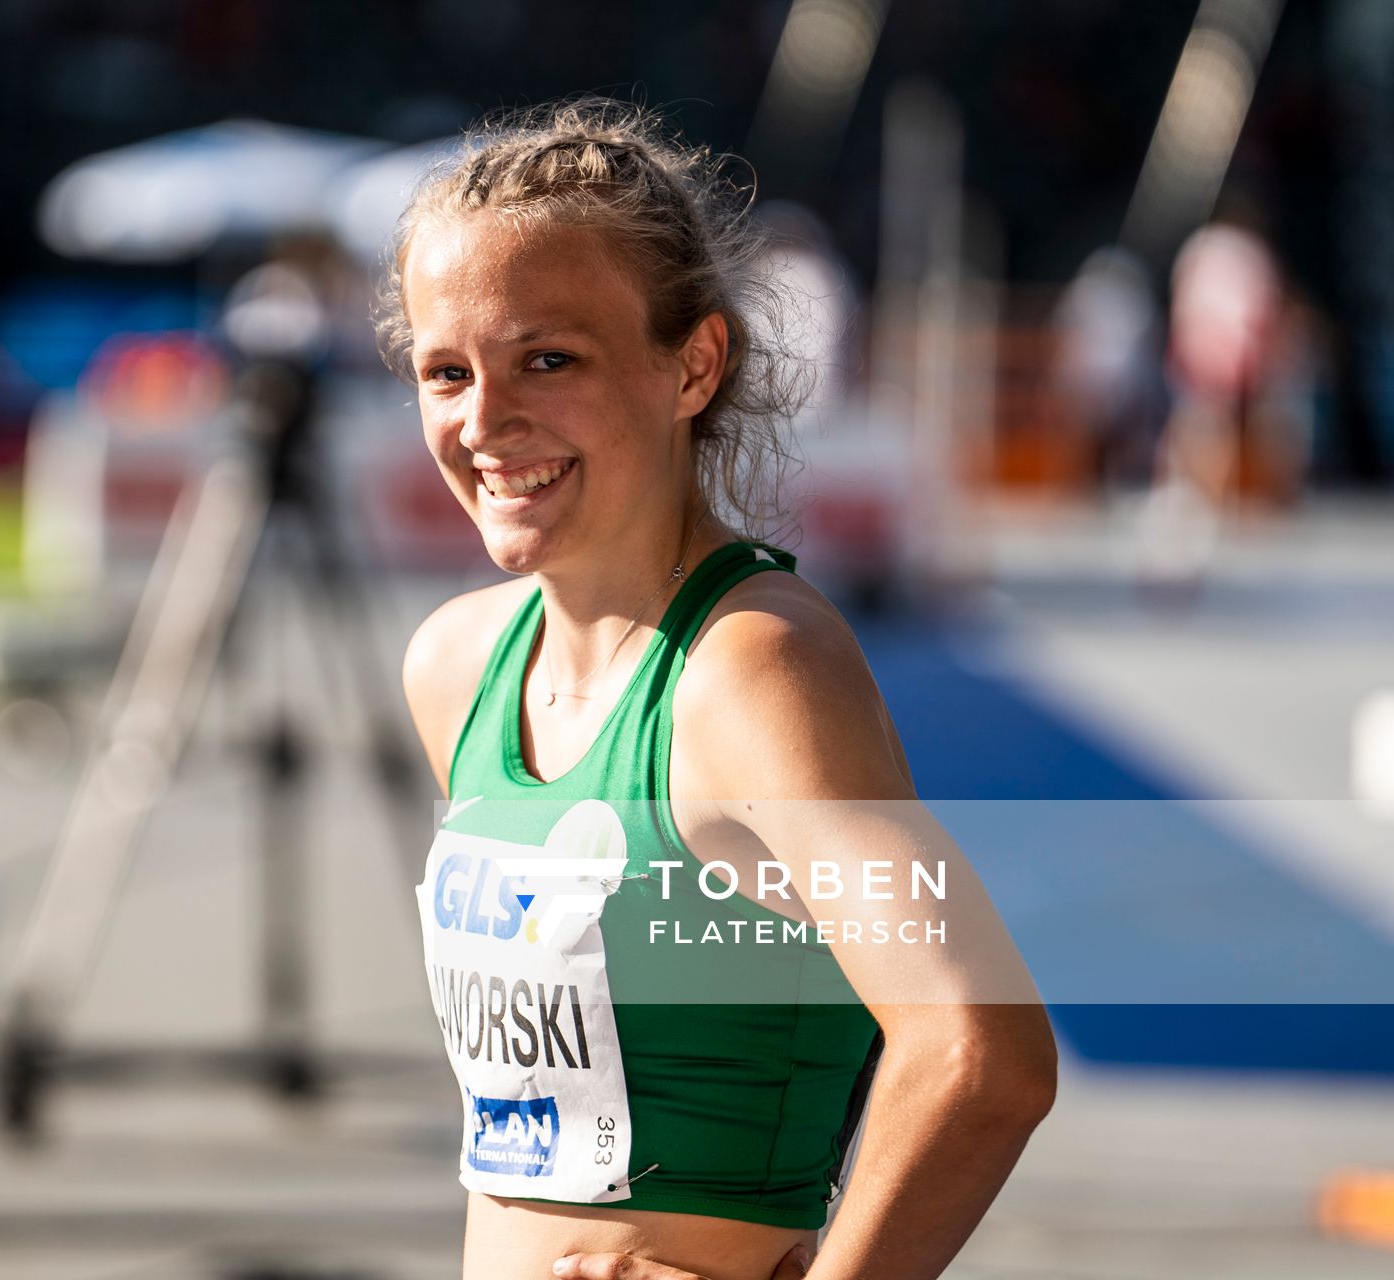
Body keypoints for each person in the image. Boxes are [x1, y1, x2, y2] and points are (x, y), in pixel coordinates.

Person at [377, 99, 1057, 1280]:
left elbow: (979, 1050)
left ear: (694, 362)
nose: (484, 421)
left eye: (549, 358)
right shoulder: (456, 663)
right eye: (447, 370)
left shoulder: (753, 669)